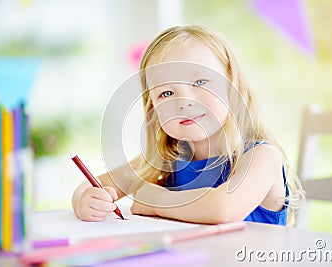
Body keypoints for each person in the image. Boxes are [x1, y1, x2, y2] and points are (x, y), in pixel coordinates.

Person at [72, 25, 303, 226]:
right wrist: (85, 200)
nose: (184, 101)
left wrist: (154, 201)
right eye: (167, 92)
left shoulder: (261, 156)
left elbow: (224, 209)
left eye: (200, 82)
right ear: (153, 108)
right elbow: (91, 186)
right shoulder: (165, 159)